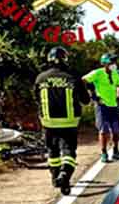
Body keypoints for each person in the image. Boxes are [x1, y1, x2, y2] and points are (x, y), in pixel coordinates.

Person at [34, 47, 90, 195]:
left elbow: (36, 99)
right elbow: (85, 100)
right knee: (68, 150)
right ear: (65, 59)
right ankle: (65, 175)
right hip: (69, 122)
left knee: (52, 150)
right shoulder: (73, 77)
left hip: (48, 123)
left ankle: (55, 177)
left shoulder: (40, 78)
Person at [83, 53, 119, 162]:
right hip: (102, 105)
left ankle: (116, 151)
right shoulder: (97, 73)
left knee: (116, 130)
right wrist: (93, 95)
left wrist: (118, 95)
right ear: (105, 63)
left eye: (114, 62)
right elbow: (84, 80)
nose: (113, 64)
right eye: (111, 62)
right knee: (103, 130)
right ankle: (104, 153)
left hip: (113, 105)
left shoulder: (115, 73)